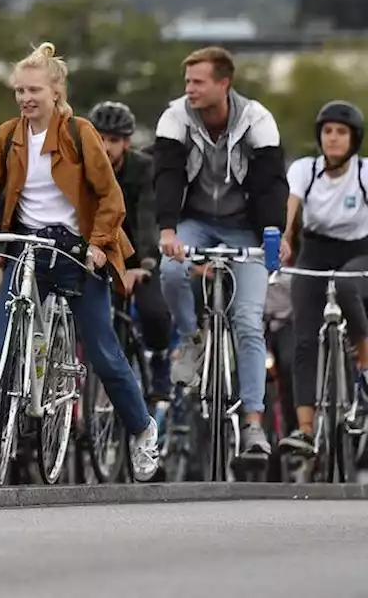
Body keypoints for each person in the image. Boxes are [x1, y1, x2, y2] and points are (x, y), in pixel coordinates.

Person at [0, 42, 160, 481]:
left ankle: (143, 429)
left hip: (77, 251)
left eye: (33, 90)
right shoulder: (9, 135)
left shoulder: (79, 133)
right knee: (1, 341)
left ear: (56, 92)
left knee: (105, 354)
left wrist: (98, 242)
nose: (25, 98)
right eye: (18, 91)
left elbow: (111, 197)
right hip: (28, 247)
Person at [153, 46, 287, 461]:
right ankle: (192, 338)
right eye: (187, 82)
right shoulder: (175, 117)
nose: (189, 89)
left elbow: (270, 184)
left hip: (245, 226)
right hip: (196, 220)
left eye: (198, 82)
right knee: (172, 271)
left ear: (223, 84)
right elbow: (168, 175)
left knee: (248, 321)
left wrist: (272, 233)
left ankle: (253, 425)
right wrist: (168, 230)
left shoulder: (257, 120)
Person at [277, 101, 368, 456]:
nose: (333, 139)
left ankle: (363, 361)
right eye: (327, 131)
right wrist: (284, 238)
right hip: (314, 251)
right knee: (303, 338)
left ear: (354, 139)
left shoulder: (362, 173)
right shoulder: (304, 169)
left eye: (341, 132)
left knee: (347, 285)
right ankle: (304, 430)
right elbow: (291, 205)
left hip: (359, 252)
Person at [88, 100, 173, 400]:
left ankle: (160, 360)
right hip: (95, 254)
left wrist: (145, 264)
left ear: (126, 143)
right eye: (99, 138)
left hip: (138, 255)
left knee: (154, 312)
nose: (106, 147)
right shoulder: (81, 167)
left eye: (113, 140)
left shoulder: (144, 169)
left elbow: (149, 217)